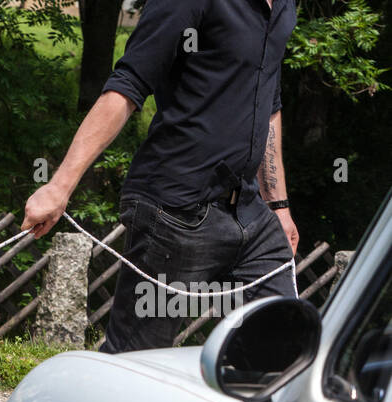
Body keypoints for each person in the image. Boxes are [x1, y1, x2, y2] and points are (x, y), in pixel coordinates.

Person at [22, 0, 299, 353]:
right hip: (176, 210)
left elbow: (269, 101)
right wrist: (59, 186)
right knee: (133, 364)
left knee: (284, 351)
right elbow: (128, 84)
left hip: (250, 214)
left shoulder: (284, 6)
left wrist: (279, 206)